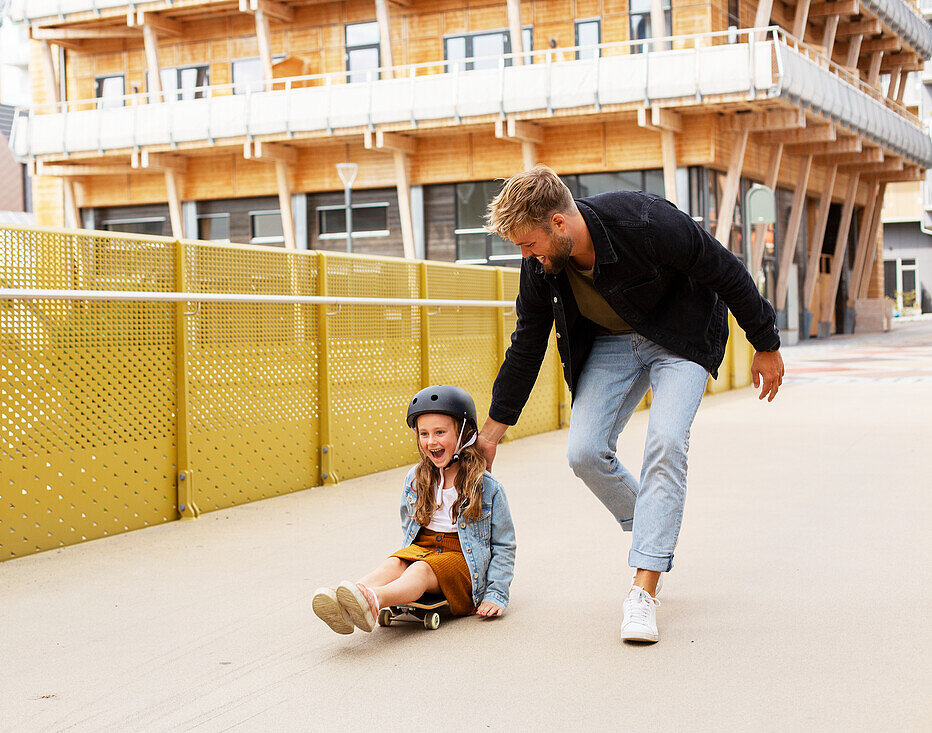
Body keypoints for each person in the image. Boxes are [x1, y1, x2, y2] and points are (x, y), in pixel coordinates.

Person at [475, 165, 784, 644]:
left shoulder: (645, 220)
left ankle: (643, 589)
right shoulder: (541, 265)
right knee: (583, 452)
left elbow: (723, 268)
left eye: (528, 244)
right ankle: (654, 528)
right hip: (612, 345)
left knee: (665, 441)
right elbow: (527, 343)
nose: (526, 256)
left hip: (681, 337)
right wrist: (490, 436)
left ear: (559, 224)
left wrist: (765, 341)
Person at [312, 385, 517, 634]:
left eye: (440, 432)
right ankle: (344, 600)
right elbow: (407, 525)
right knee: (395, 563)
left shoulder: (486, 485)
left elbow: (504, 545)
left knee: (419, 569)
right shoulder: (415, 478)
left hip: (462, 558)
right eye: (424, 434)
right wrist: (407, 557)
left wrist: (496, 594)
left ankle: (373, 601)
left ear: (464, 433)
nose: (431, 441)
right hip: (424, 547)